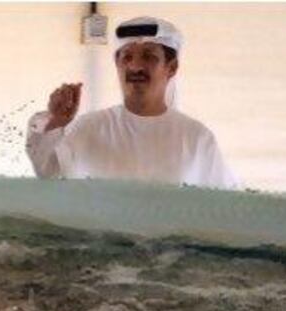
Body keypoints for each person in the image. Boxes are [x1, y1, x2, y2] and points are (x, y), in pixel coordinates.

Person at [26, 16, 241, 189]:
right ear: (117, 64)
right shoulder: (88, 127)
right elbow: (48, 177)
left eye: (149, 57)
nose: (135, 66)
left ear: (172, 67)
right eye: (126, 57)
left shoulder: (197, 138)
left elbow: (227, 208)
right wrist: (56, 123)